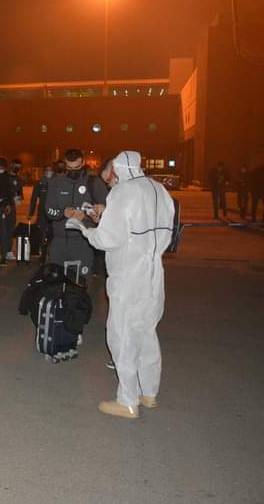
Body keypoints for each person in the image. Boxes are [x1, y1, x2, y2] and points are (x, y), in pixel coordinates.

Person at [72, 151, 175, 419]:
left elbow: (108, 239)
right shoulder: (159, 189)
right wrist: (106, 217)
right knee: (146, 331)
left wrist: (85, 229)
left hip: (129, 273)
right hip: (154, 271)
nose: (109, 182)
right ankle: (148, 392)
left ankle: (128, 401)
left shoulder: (123, 192)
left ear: (116, 170)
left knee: (123, 334)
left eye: (109, 177)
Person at [46, 149, 108, 281]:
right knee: (56, 283)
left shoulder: (93, 183)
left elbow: (107, 211)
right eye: (69, 168)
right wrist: (63, 213)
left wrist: (87, 217)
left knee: (80, 283)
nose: (73, 171)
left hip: (84, 242)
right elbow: (48, 210)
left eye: (77, 167)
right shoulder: (56, 183)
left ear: (83, 163)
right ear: (65, 165)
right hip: (59, 242)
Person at [28, 164, 54, 258]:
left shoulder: (56, 182)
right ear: (44, 172)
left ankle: (51, 250)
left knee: (52, 232)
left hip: (53, 212)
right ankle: (42, 250)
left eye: (50, 170)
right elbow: (34, 198)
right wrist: (31, 212)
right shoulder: (39, 183)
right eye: (47, 170)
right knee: (41, 231)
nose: (48, 172)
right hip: (42, 213)